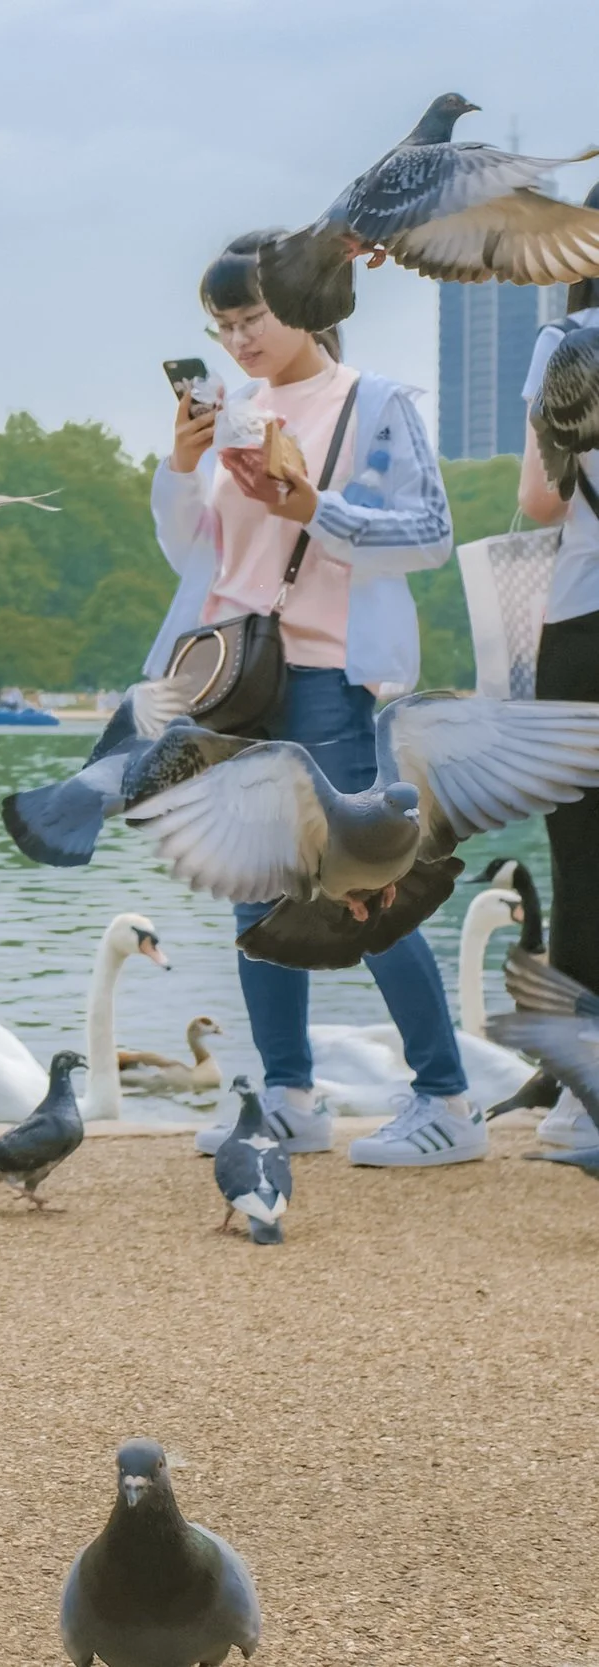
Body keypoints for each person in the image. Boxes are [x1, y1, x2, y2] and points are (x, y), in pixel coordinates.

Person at [146, 231, 474, 1167]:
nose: (238, 340)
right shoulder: (237, 409)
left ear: (308, 300)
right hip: (240, 676)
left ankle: (447, 1101)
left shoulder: (374, 405)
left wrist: (312, 508)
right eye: (222, 324)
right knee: (254, 890)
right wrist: (181, 465)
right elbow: (198, 556)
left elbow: (429, 533)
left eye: (251, 317)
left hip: (330, 676)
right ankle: (288, 1097)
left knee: (367, 889)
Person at [513, 190, 599, 1153]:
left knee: (582, 861)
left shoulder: (566, 342)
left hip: (584, 622)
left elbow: (541, 499)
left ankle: (583, 1098)